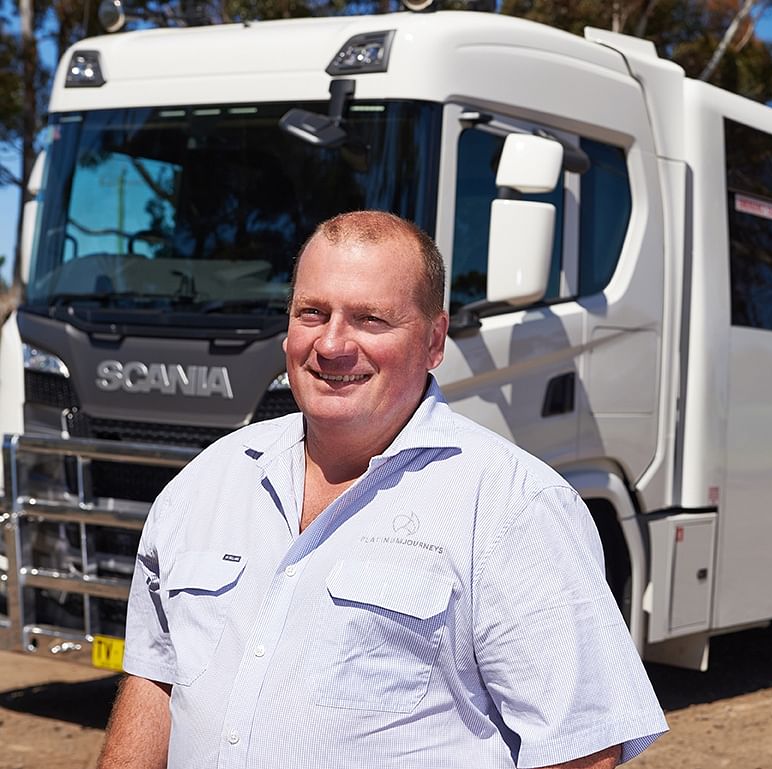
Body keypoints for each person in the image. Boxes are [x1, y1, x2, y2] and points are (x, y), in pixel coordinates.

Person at [98, 211, 667, 769]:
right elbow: (157, 681)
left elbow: (581, 749)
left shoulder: (512, 504)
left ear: (435, 340)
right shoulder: (207, 481)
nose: (331, 344)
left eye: (371, 319)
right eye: (312, 313)